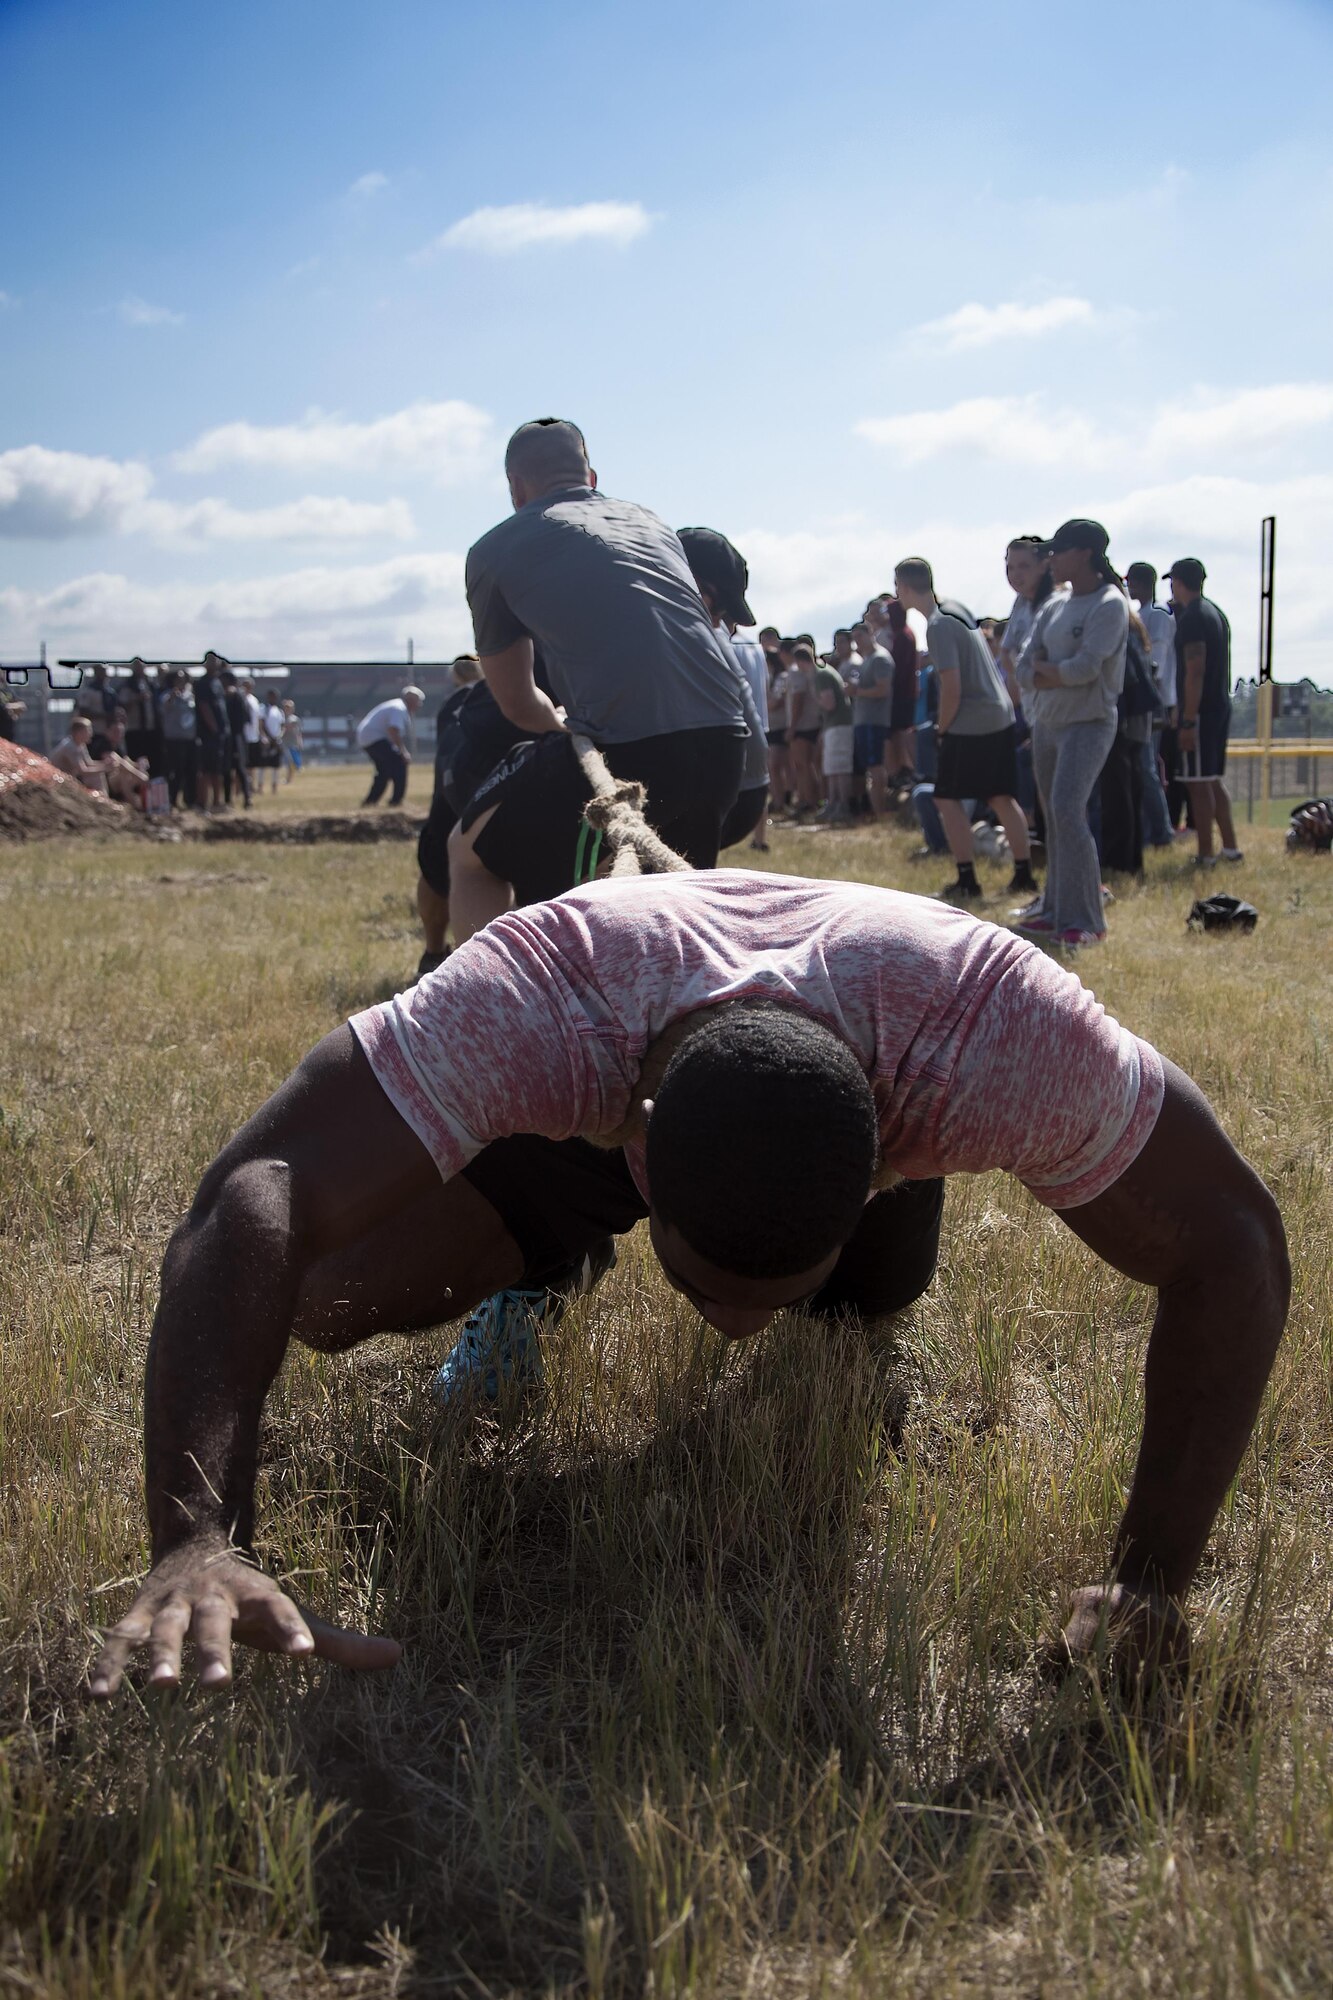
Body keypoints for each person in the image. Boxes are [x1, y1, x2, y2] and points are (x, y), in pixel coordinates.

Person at [87, 868, 1289, 1702]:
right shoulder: (536, 998)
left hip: (873, 1054)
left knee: (857, 1327)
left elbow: (1233, 1239)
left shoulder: (999, 1037)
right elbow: (256, 1185)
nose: (730, 1331)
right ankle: (547, 1250)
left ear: (884, 1153)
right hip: (608, 1073)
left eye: (762, 1293)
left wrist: (1150, 1584)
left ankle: (853, 1273)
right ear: (643, 1148)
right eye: (712, 1288)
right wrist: (197, 1535)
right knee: (327, 1298)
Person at [445, 420, 749, 939]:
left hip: (626, 757)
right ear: (590, 475)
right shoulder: (651, 522)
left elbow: (519, 705)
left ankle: (493, 1005)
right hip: (725, 746)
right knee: (676, 914)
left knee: (467, 852)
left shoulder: (493, 550)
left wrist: (562, 724)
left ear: (515, 486)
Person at [1013, 520, 1128, 949]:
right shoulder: (1055, 605)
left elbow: (1086, 670)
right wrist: (1049, 672)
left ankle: (1088, 920)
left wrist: (1048, 670)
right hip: (1049, 723)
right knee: (1055, 816)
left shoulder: (1109, 604)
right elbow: (1024, 667)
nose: (1051, 560)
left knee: (1066, 810)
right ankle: (1056, 910)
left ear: (1083, 553)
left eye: (1057, 551)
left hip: (1088, 723)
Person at [893, 559, 1035, 906]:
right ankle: (1023, 873)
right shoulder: (956, 608)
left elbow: (952, 686)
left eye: (898, 587)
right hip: (997, 714)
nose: (897, 594)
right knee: (1000, 796)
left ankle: (967, 879)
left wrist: (943, 728)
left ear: (907, 587)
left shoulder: (938, 626)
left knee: (946, 797)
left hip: (972, 720)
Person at [676, 527, 771, 852]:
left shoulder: (687, 631)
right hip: (742, 790)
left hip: (731, 793)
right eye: (719, 610)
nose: (720, 624)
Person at [1165, 558, 1242, 867]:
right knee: (1211, 780)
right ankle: (1231, 849)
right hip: (1217, 707)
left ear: (1178, 582)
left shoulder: (1193, 617)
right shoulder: (1215, 613)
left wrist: (1187, 718)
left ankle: (1207, 854)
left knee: (1197, 784)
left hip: (1200, 712)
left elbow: (1194, 671)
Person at [1124, 564, 1176, 849]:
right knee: (1140, 767)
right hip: (1139, 701)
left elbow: (1157, 663)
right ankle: (1146, 829)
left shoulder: (1157, 617)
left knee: (1147, 768)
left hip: (1152, 702)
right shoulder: (1139, 615)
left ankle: (1161, 831)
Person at [848, 619, 892, 818]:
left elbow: (883, 689)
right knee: (868, 766)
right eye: (854, 638)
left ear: (870, 633)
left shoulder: (880, 658)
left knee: (875, 766)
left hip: (874, 719)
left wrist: (857, 690)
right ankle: (872, 809)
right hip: (863, 720)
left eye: (860, 636)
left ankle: (880, 811)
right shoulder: (866, 660)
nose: (857, 641)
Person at [357, 686, 424, 807]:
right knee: (399, 764)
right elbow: (393, 730)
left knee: (384, 771)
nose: (420, 705)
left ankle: (370, 802)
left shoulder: (397, 706)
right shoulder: (399, 709)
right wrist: (403, 752)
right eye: (418, 701)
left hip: (368, 738)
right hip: (375, 738)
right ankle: (396, 801)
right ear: (411, 700)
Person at [811, 646, 855, 823]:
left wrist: (816, 701)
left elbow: (829, 704)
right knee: (832, 769)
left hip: (839, 726)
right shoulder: (824, 673)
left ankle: (842, 806)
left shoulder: (821, 675)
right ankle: (833, 804)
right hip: (833, 726)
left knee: (840, 768)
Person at [883, 598, 920, 785]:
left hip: (902, 692)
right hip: (902, 692)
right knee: (895, 733)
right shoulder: (901, 634)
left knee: (902, 732)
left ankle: (910, 768)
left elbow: (899, 668)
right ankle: (901, 770)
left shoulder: (903, 636)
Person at [193, 653, 229, 813]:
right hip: (207, 734)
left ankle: (217, 803)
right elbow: (204, 706)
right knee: (206, 770)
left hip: (219, 734)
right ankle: (202, 804)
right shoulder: (202, 683)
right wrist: (213, 727)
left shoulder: (217, 682)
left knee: (217, 770)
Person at [161, 671, 198, 807]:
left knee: (190, 770)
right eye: (178, 680)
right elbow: (163, 708)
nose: (181, 683)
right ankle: (172, 799)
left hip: (189, 739)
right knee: (175, 771)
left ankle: (190, 800)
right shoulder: (167, 695)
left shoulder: (191, 697)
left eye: (184, 680)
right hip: (174, 740)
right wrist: (172, 697)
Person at [280, 700, 303, 780]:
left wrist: (300, 742)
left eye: (289, 707)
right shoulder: (281, 718)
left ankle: (290, 777)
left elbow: (298, 732)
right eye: (286, 707)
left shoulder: (295, 719)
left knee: (292, 761)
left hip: (293, 743)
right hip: (285, 743)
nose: (287, 709)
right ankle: (289, 778)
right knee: (289, 761)